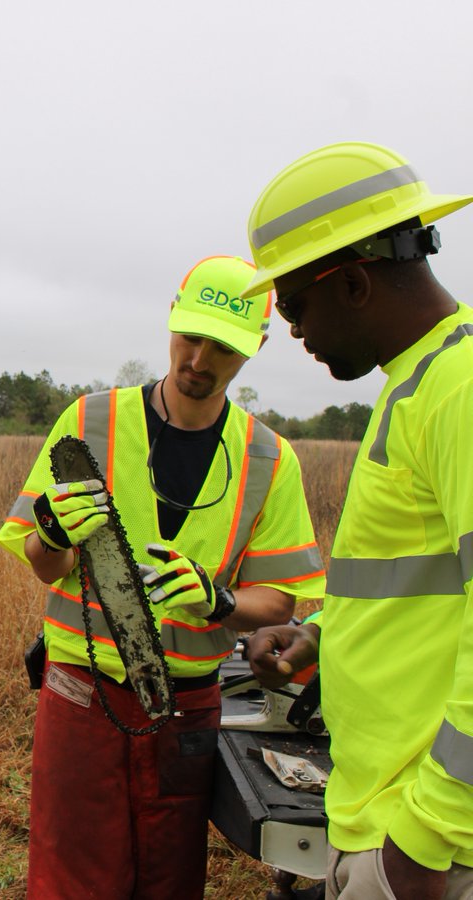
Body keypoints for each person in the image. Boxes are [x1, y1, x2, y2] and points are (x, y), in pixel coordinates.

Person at [0, 254, 326, 899]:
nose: (199, 360)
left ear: (254, 347)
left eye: (222, 348)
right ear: (172, 320)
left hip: (189, 703)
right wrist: (54, 533)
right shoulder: (90, 422)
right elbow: (44, 564)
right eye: (191, 337)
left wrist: (222, 600)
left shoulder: (268, 458)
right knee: (71, 877)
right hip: (80, 689)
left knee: (168, 875)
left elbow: (279, 601)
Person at [243, 141, 473, 900]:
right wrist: (319, 639)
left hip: (427, 843)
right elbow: (418, 595)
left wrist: (428, 839)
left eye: (293, 307)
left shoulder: (460, 390)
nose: (292, 333)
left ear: (351, 284)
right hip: (384, 818)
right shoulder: (418, 383)